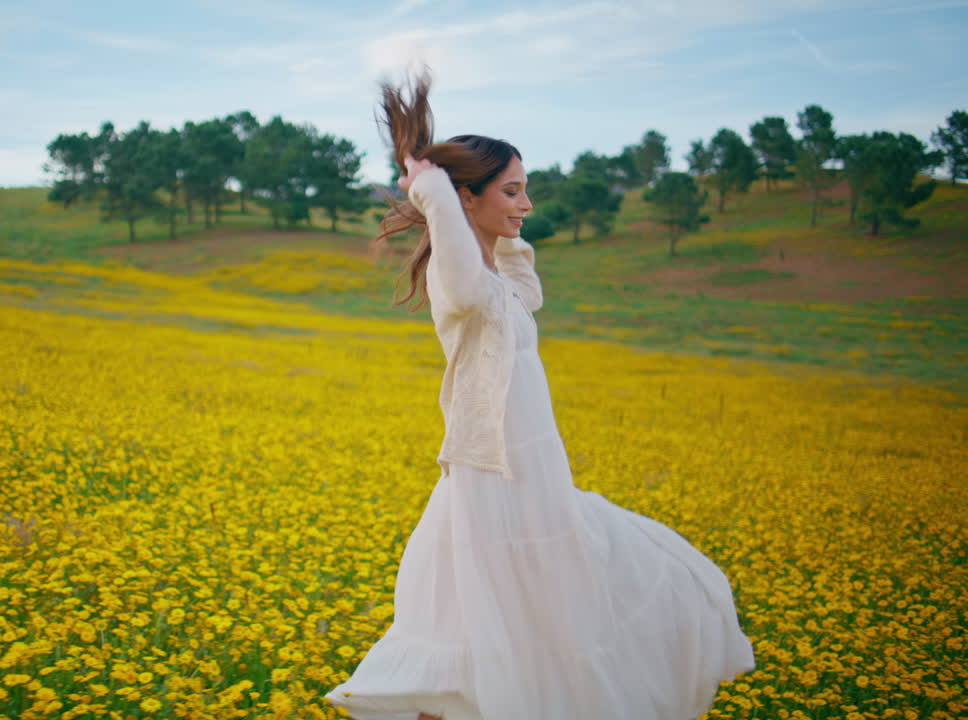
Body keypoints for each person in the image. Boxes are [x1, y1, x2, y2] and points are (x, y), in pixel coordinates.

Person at [323, 68, 756, 720]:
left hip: (535, 469)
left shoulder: (496, 276)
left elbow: (528, 293)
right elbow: (469, 286)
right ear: (466, 197)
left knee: (552, 609)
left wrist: (496, 224)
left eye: (527, 191)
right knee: (495, 618)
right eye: (513, 191)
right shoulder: (454, 272)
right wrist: (434, 190)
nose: (526, 204)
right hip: (492, 472)